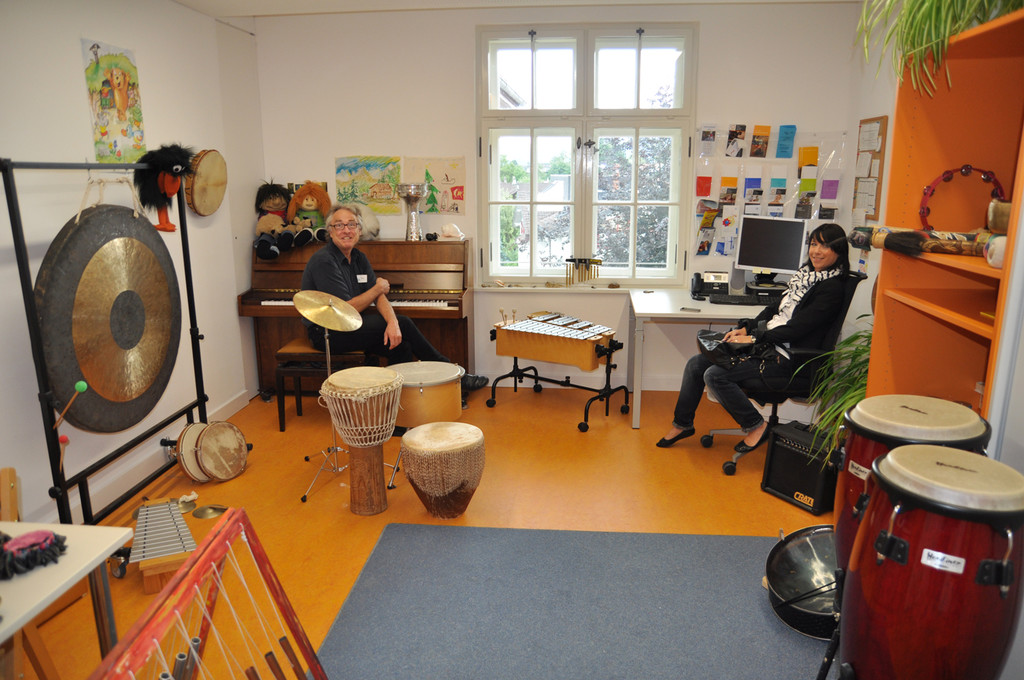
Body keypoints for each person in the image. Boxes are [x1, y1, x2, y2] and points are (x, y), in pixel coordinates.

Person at [657, 222, 850, 451]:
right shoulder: (805, 277)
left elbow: (797, 329)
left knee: (715, 375)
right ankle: (682, 425)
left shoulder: (831, 289)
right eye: (814, 244)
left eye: (825, 246)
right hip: (770, 347)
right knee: (696, 364)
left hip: (789, 359)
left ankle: (756, 426)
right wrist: (746, 329)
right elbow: (773, 309)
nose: (816, 251)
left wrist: (754, 338)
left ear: (838, 251)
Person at [301, 203, 488, 396]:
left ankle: (399, 402)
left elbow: (379, 296)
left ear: (359, 230)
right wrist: (378, 290)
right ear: (330, 231)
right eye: (339, 225)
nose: (346, 230)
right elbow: (345, 310)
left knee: (401, 345)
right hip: (328, 333)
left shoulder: (358, 257)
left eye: (352, 224)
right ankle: (454, 376)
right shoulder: (324, 260)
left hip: (352, 327)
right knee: (404, 323)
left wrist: (392, 323)